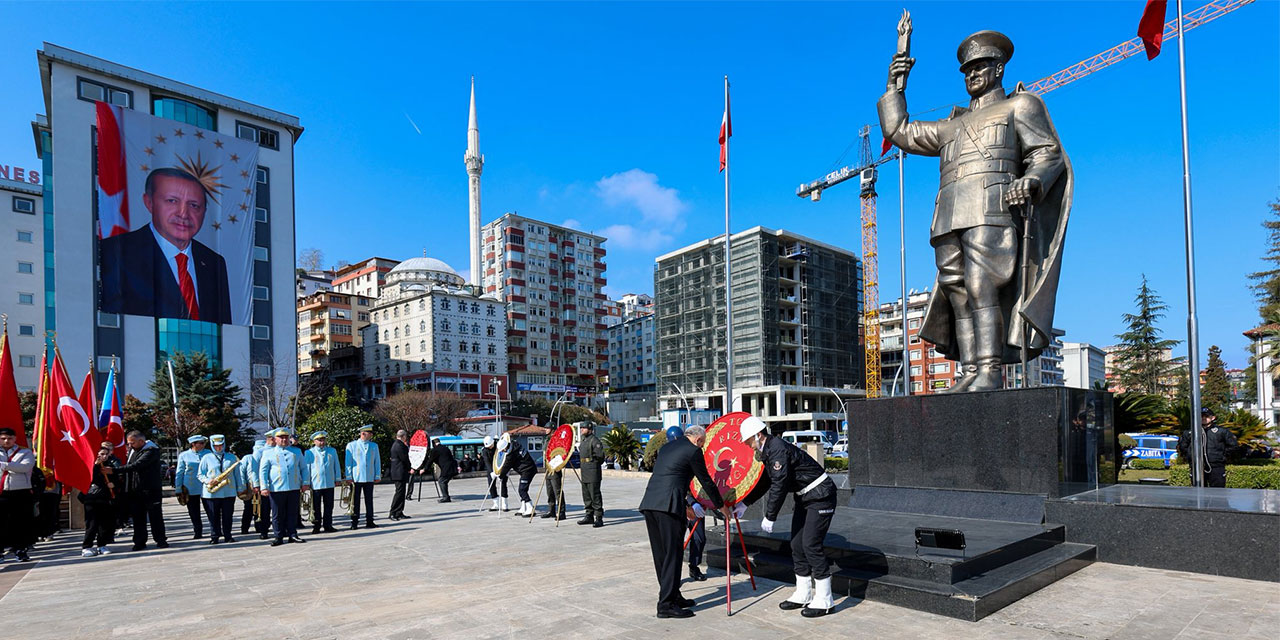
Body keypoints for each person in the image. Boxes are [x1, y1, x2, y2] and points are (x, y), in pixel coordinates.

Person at [879, 31, 1071, 392]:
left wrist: (1031, 180)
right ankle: (970, 371)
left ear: (999, 68)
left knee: (983, 287)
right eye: (967, 70)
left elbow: (1049, 153)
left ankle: (989, 370)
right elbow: (899, 129)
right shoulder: (950, 126)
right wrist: (895, 86)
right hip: (948, 214)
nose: (972, 74)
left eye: (980, 66)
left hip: (992, 208)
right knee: (958, 291)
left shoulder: (1020, 106)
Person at [98, 167, 233, 324]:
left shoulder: (213, 263)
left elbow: (224, 328)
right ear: (149, 203)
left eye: (194, 205)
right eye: (172, 201)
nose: (183, 213)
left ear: (204, 211)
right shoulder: (114, 253)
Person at [740, 416, 838, 618]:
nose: (749, 446)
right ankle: (803, 592)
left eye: (749, 441)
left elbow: (780, 484)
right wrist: (744, 503)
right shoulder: (768, 450)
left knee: (811, 544)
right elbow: (767, 481)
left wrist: (770, 516)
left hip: (821, 495)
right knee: (796, 545)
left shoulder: (776, 448)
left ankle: (825, 599)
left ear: (758, 435)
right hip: (806, 497)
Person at [638, 424, 725, 619]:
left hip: (651, 503)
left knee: (661, 555)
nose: (702, 446)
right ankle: (666, 605)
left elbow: (672, 478)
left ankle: (673, 595)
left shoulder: (667, 448)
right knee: (673, 555)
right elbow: (706, 481)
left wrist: (686, 505)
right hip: (668, 508)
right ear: (698, 439)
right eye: (703, 443)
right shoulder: (693, 451)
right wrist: (721, 506)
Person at [110, 431, 168, 551]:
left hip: (150, 490)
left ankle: (161, 540)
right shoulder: (132, 451)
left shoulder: (151, 451)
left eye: (132, 443)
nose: (130, 446)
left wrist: (114, 470)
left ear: (141, 441)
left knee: (155, 517)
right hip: (135, 491)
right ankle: (139, 542)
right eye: (128, 443)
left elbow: (137, 465)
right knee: (138, 518)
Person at [260, 428, 309, 546]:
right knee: (277, 514)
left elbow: (303, 468)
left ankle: (293, 534)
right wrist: (264, 487)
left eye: (286, 437)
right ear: (275, 439)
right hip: (276, 488)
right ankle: (278, 536)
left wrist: (305, 482)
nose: (284, 439)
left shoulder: (296, 451)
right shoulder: (268, 453)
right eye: (281, 437)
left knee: (292, 512)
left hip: (293, 486)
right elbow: (263, 471)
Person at [197, 434, 243, 545]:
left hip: (228, 491)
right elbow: (200, 474)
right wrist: (208, 481)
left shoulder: (231, 457)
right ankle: (215, 536)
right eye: (216, 446)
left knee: (228, 515)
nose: (219, 448)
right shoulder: (206, 458)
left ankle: (228, 535)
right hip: (211, 493)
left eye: (221, 445)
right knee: (213, 516)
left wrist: (240, 488)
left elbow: (238, 475)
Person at [0, 427, 36, 562]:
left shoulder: (25, 452)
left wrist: (4, 465)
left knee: (20, 523)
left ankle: (20, 550)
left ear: (14, 439)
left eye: (9, 438)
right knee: (2, 523)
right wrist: (14, 466)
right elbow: (17, 467)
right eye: (3, 438)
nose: (6, 441)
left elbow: (25, 467)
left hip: (20, 492)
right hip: (1, 492)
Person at [79, 441, 121, 557]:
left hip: (105, 498)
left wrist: (114, 485)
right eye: (102, 454)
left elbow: (117, 479)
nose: (104, 456)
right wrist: (95, 466)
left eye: (106, 454)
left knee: (105, 524)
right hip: (92, 498)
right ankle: (86, 546)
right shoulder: (91, 466)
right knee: (92, 524)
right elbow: (88, 479)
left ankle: (102, 544)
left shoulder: (110, 466)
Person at [1189, 407, 1240, 488]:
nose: (1203, 418)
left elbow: (1233, 446)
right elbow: (1183, 446)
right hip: (1197, 467)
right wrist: (1191, 457)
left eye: (1206, 416)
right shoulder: (1191, 432)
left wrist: (1222, 456)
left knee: (1218, 493)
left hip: (1216, 467)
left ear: (1213, 418)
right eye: (1201, 416)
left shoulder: (1221, 431)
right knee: (1197, 493)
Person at [174, 434, 210, 540]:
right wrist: (178, 487)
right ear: (193, 444)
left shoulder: (208, 454)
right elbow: (180, 472)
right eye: (201, 443)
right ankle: (197, 531)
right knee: (194, 511)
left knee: (211, 509)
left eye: (204, 443)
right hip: (190, 487)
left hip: (206, 486)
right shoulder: (184, 455)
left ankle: (215, 528)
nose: (203, 445)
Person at [345, 425, 381, 529]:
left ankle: (370, 521)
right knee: (355, 501)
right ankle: (354, 522)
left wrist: (377, 475)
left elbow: (377, 461)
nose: (371, 435)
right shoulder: (352, 445)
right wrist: (348, 476)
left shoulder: (374, 446)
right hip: (356, 477)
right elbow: (348, 462)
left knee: (369, 500)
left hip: (369, 476)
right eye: (369, 433)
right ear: (363, 433)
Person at [305, 432, 341, 534]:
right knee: (316, 506)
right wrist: (306, 482)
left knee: (329, 505)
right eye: (319, 440)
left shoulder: (332, 451)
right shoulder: (309, 452)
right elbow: (307, 469)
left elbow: (336, 465)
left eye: (323, 440)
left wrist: (338, 479)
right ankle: (316, 526)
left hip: (329, 483)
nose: (322, 442)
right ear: (314, 441)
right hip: (316, 483)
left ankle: (328, 525)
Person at [495, 434, 538, 516]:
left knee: (522, 490)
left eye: (502, 450)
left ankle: (530, 508)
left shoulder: (511, 454)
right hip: (526, 470)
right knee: (523, 489)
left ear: (504, 448)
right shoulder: (515, 445)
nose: (503, 452)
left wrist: (500, 476)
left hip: (527, 470)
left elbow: (506, 466)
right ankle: (523, 507)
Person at [578, 422, 606, 527]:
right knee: (586, 495)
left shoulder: (595, 441)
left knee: (595, 495)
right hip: (584, 470)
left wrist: (592, 464)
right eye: (581, 428)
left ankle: (598, 517)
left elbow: (600, 457)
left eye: (583, 428)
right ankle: (589, 515)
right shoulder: (584, 440)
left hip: (593, 470)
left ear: (589, 429)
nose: (581, 430)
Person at [239, 438, 265, 537]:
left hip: (262, 486)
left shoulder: (267, 457)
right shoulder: (247, 458)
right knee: (249, 508)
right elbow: (241, 472)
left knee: (261, 508)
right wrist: (242, 486)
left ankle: (259, 527)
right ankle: (244, 528)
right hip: (250, 487)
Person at [421, 437, 458, 503]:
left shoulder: (435, 450)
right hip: (452, 467)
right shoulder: (446, 448)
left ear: (434, 444)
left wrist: (424, 469)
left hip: (447, 468)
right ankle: (446, 496)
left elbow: (430, 460)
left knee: (441, 481)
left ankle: (446, 497)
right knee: (444, 481)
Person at [480, 435, 509, 511]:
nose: (489, 447)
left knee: (503, 484)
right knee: (491, 485)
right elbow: (487, 462)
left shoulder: (499, 445)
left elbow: (503, 457)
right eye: (488, 446)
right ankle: (495, 504)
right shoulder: (484, 450)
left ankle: (504, 504)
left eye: (490, 445)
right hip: (491, 470)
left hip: (501, 468)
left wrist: (506, 470)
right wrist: (492, 472)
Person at [388, 429, 411, 521]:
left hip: (399, 472)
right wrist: (410, 468)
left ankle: (399, 512)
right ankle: (393, 512)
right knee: (399, 493)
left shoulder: (396, 444)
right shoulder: (399, 445)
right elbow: (404, 458)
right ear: (403, 436)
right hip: (399, 472)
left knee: (401, 493)